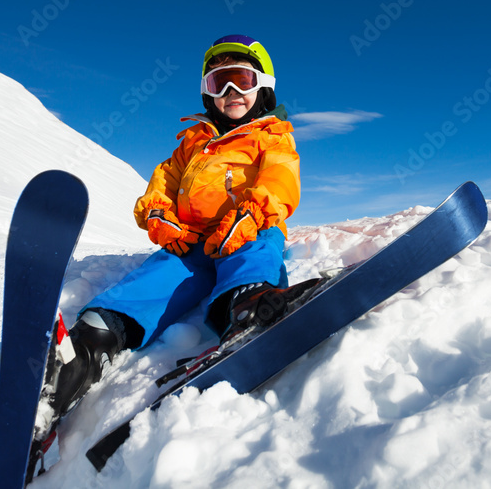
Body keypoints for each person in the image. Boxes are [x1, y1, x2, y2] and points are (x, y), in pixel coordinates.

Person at [46, 34, 305, 418]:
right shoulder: (191, 144)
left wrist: (251, 214)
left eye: (242, 80)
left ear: (263, 87)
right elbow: (163, 184)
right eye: (220, 83)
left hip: (246, 227)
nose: (231, 91)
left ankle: (248, 302)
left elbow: (280, 180)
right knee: (165, 270)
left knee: (256, 248)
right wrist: (159, 214)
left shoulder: (272, 138)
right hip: (193, 239)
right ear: (208, 93)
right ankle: (92, 344)